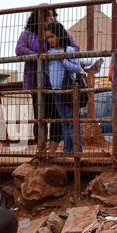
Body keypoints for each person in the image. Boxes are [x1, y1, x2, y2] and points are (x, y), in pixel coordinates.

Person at [15, 8, 62, 151]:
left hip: (56, 82)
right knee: (40, 117)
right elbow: (19, 49)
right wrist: (39, 56)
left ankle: (52, 151)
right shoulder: (28, 35)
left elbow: (74, 47)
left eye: (53, 16)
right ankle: (41, 150)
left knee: (57, 117)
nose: (51, 19)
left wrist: (58, 53)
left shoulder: (58, 32)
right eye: (48, 16)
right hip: (37, 83)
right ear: (38, 18)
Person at [45, 22, 85, 153]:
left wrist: (63, 60)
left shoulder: (69, 50)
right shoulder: (49, 53)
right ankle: (68, 150)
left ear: (59, 35)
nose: (50, 40)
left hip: (68, 91)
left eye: (52, 37)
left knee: (72, 121)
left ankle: (76, 151)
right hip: (56, 91)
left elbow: (77, 68)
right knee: (65, 122)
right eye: (48, 38)